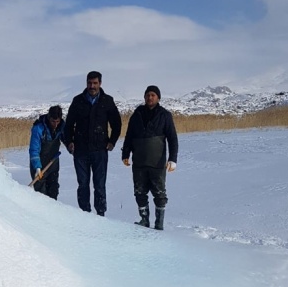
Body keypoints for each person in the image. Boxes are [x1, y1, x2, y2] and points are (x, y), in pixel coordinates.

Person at [64, 71, 122, 216]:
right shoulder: (78, 101)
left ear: (100, 83)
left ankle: (101, 215)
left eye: (95, 83)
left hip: (100, 150)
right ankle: (85, 215)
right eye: (89, 83)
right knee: (83, 184)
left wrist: (112, 141)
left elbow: (117, 124)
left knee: (99, 185)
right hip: (80, 151)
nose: (92, 86)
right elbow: (68, 125)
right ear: (86, 83)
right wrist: (69, 142)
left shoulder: (107, 101)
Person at [122, 85, 178, 230]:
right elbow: (129, 136)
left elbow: (172, 138)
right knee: (139, 192)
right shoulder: (137, 114)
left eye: (153, 95)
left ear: (158, 97)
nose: (150, 97)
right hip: (139, 162)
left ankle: (159, 224)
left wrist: (173, 159)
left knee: (159, 194)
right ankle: (144, 220)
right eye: (147, 95)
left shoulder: (165, 115)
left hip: (157, 163)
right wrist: (125, 154)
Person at [29, 105, 65, 199]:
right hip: (39, 165)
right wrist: (37, 167)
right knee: (41, 195)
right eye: (53, 121)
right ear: (49, 118)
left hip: (53, 163)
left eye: (58, 121)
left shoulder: (61, 127)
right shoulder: (38, 129)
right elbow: (34, 149)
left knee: (53, 192)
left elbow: (67, 139)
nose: (55, 124)